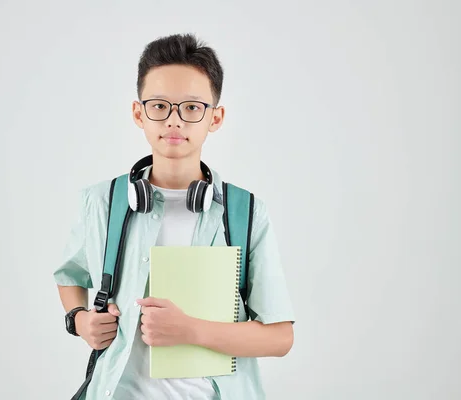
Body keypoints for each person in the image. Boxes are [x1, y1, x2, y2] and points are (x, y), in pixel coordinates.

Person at [54, 33, 296, 400]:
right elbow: (70, 276)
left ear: (215, 118)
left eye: (192, 107)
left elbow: (280, 337)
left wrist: (189, 330)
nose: (174, 121)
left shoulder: (245, 213)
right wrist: (80, 319)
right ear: (139, 113)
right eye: (160, 106)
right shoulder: (103, 202)